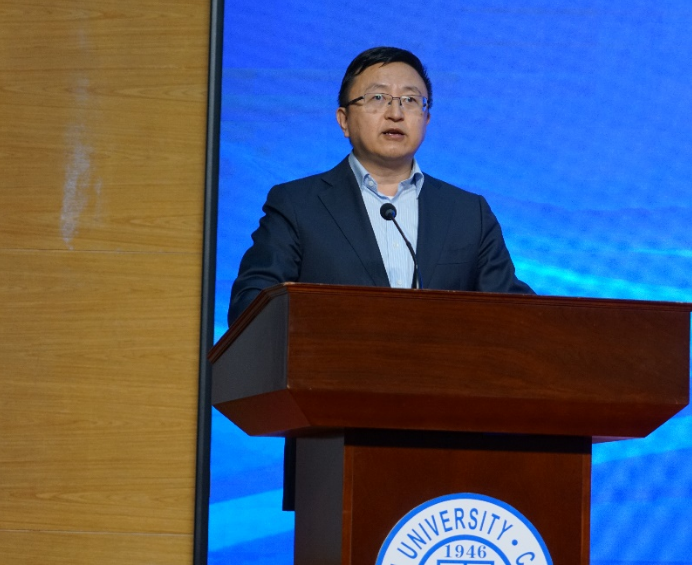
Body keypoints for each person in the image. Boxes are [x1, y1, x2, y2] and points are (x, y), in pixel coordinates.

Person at [228, 46, 533, 509]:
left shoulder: (467, 212)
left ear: (426, 118)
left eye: (411, 100)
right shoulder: (298, 205)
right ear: (343, 119)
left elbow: (515, 317)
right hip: (333, 446)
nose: (395, 111)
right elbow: (253, 306)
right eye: (377, 98)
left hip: (453, 450)